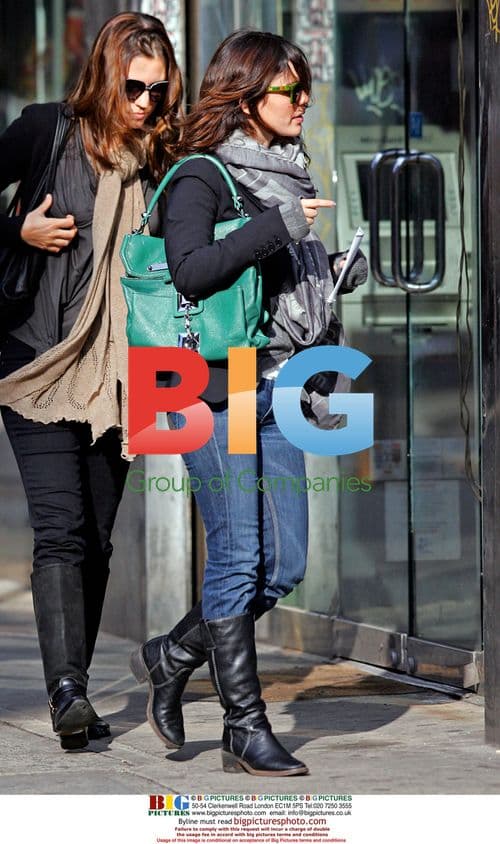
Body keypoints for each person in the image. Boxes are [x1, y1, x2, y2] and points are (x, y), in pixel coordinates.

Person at [130, 29, 367, 776]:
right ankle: (244, 725)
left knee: (287, 562)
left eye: (306, 91)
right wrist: (280, 228)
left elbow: (266, 285)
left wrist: (327, 271)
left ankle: (173, 655)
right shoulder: (201, 176)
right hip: (212, 381)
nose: (302, 103)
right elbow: (194, 271)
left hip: (284, 379)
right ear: (245, 95)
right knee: (237, 554)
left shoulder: (286, 175)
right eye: (288, 92)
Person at [0, 12, 183, 750]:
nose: (145, 104)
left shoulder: (168, 161)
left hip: (123, 376)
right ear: (107, 78)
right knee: (61, 529)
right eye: (134, 88)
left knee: (97, 540)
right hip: (37, 361)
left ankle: (71, 681)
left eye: (159, 93)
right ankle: (68, 692)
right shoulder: (46, 131)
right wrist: (16, 231)